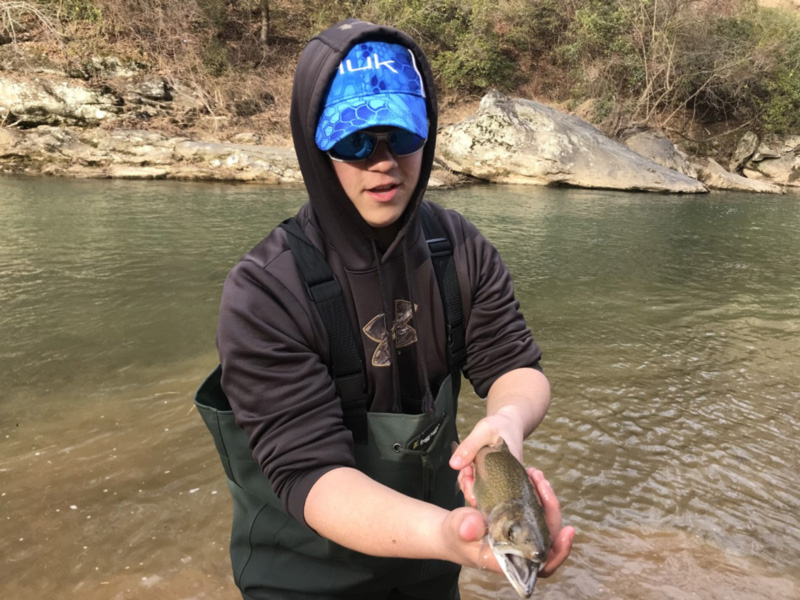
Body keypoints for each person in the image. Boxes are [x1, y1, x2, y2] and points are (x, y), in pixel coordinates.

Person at [211, 17, 574, 600]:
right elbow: (310, 475)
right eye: (355, 139)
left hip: (429, 569)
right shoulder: (263, 292)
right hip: (304, 581)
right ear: (314, 145)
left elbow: (514, 366)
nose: (383, 161)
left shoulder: (460, 248)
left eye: (401, 135)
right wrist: (449, 533)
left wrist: (506, 421)